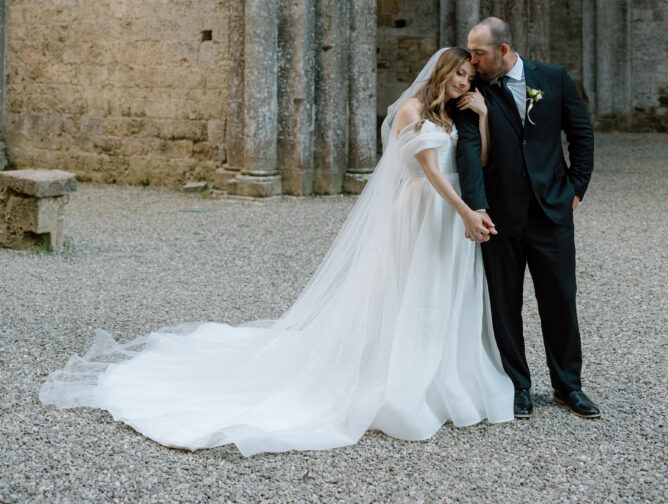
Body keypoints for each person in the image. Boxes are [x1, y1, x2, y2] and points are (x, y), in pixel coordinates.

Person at [40, 47, 513, 455]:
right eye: (456, 74)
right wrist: (465, 212)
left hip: (453, 219)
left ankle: (439, 375)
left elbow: (480, 161)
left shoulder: (458, 116)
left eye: (468, 78)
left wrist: (485, 118)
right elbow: (428, 170)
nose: (461, 82)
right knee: (410, 293)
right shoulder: (411, 110)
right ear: (440, 72)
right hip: (423, 211)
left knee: (438, 299)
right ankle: (397, 379)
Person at [452, 17, 600, 421]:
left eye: (479, 53)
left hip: (552, 210)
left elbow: (581, 133)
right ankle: (517, 386)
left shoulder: (552, 78)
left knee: (559, 300)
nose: (472, 60)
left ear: (503, 51)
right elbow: (468, 150)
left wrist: (576, 187)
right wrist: (476, 206)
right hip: (501, 214)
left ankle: (569, 385)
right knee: (504, 304)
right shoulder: (472, 89)